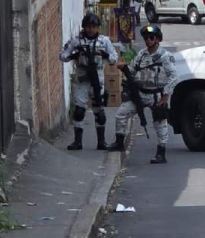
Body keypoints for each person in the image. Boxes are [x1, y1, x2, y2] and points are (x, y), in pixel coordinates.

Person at [109, 24, 177, 164]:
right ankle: (119, 142)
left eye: (151, 37)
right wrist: (125, 68)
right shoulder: (141, 55)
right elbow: (133, 70)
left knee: (160, 123)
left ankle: (161, 152)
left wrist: (166, 94)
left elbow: (173, 76)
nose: (148, 40)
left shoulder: (165, 56)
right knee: (121, 113)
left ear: (157, 39)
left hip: (156, 94)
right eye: (146, 38)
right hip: (139, 93)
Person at [60, 13, 118, 150]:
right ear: (84, 27)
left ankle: (101, 141)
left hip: (98, 79)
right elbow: (62, 56)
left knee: (99, 111)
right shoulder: (76, 41)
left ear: (97, 27)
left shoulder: (104, 41)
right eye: (88, 27)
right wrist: (75, 54)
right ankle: (77, 142)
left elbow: (114, 58)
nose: (91, 30)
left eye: (93, 27)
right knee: (79, 111)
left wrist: (104, 54)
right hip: (83, 78)